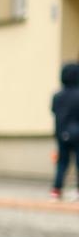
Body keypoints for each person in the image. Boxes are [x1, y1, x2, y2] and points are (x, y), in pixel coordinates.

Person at [54, 62, 79, 201]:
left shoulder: (57, 96)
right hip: (78, 134)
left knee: (62, 163)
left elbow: (54, 112)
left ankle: (56, 190)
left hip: (61, 133)